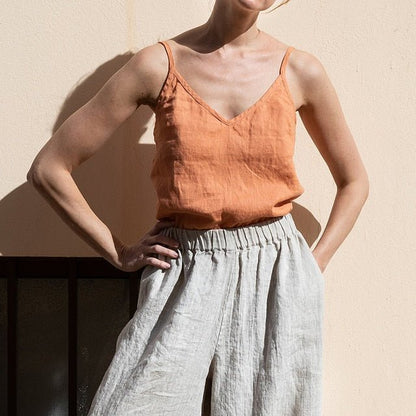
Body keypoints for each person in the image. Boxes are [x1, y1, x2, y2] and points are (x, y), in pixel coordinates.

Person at [27, 0, 369, 414]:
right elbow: (49, 169)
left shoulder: (300, 71)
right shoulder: (158, 65)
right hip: (184, 265)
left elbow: (354, 182)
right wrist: (118, 251)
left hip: (275, 272)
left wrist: (312, 266)